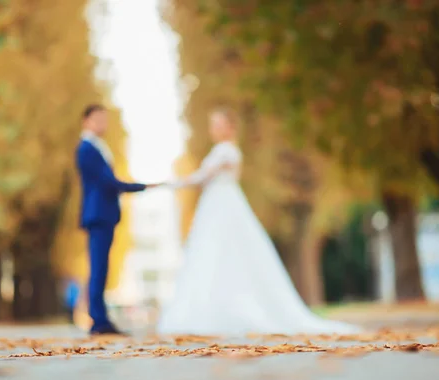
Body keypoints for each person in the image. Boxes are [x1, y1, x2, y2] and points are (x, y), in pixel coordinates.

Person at [157, 107, 360, 336]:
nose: (213, 129)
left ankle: (223, 311)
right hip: (216, 204)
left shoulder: (226, 151)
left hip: (222, 205)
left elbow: (203, 177)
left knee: (221, 252)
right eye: (212, 124)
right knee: (214, 255)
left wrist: (172, 183)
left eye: (218, 124)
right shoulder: (222, 150)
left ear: (230, 127)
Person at [76, 104, 159, 335]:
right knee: (98, 267)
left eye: (104, 119)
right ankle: (98, 320)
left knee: (101, 267)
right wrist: (141, 186)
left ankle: (100, 317)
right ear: (86, 121)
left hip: (103, 214)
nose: (103, 123)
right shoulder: (87, 149)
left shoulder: (96, 147)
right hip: (99, 214)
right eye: (98, 119)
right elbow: (107, 183)